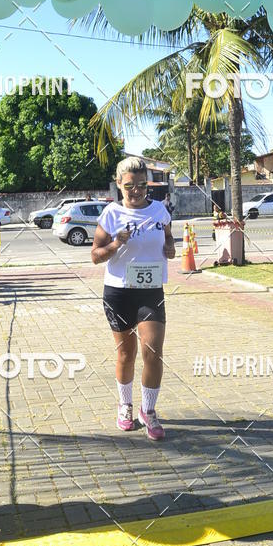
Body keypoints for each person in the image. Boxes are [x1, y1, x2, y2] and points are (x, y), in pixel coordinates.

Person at [92, 156, 176, 441]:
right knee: (126, 354)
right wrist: (116, 243)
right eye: (130, 186)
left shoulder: (160, 211)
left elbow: (168, 236)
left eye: (142, 185)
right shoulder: (111, 214)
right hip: (118, 291)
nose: (137, 191)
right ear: (119, 184)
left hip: (151, 291)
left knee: (152, 350)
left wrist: (170, 248)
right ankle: (125, 405)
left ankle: (148, 411)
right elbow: (95, 256)